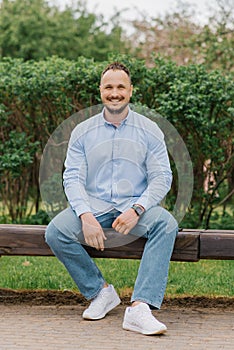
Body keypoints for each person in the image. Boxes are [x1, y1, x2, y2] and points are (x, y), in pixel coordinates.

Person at [45, 61, 178, 335]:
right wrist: (85, 215)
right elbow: (72, 177)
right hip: (94, 206)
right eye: (109, 87)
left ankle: (140, 308)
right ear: (100, 91)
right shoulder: (83, 131)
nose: (114, 92)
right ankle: (100, 292)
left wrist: (137, 208)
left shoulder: (150, 129)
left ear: (130, 91)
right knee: (56, 232)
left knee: (166, 224)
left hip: (134, 208)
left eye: (120, 87)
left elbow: (162, 177)